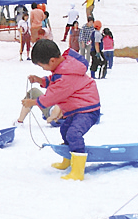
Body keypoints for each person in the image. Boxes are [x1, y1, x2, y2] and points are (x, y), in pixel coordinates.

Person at [15, 39, 101, 180]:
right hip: (77, 109)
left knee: (73, 133)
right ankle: (68, 159)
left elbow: (51, 97)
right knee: (65, 130)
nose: (44, 69)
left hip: (87, 110)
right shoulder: (65, 67)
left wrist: (32, 102)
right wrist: (40, 80)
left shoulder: (66, 76)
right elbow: (54, 79)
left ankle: (78, 170)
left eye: (43, 67)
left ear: (53, 60)